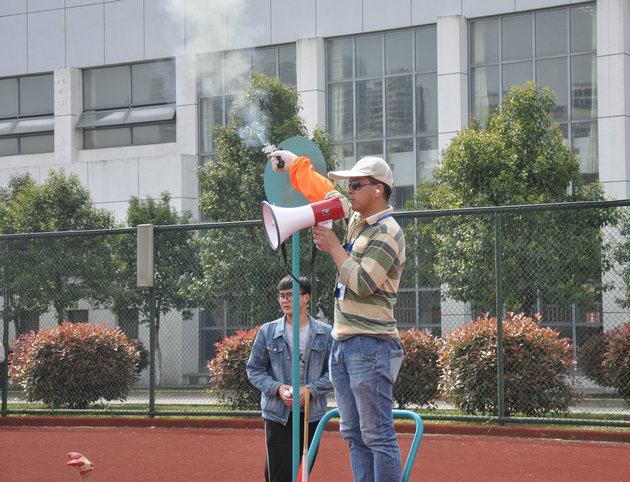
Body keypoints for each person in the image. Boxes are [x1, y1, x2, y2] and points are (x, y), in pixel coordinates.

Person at [268, 150, 406, 481]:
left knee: (377, 435)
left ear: (378, 189)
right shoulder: (359, 220)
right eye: (349, 184)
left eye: (356, 185)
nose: (349, 191)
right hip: (345, 343)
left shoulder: (386, 231)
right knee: (353, 435)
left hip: (371, 345)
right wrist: (294, 163)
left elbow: (362, 282)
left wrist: (333, 246)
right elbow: (324, 192)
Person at [246, 275, 333, 482]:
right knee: (279, 473)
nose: (284, 300)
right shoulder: (268, 332)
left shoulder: (325, 333)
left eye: (290, 295)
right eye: (281, 296)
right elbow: (254, 369)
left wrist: (310, 389)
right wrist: (278, 389)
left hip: (311, 414)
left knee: (302, 472)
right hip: (278, 413)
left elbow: (336, 373)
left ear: (306, 298)